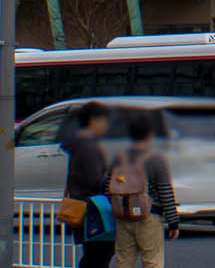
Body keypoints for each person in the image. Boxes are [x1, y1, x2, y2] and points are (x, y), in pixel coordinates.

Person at [110, 114, 178, 268]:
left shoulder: (119, 158)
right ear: (150, 134)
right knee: (152, 262)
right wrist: (173, 222)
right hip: (149, 216)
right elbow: (165, 192)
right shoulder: (156, 159)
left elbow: (109, 186)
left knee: (124, 262)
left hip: (123, 217)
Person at [65, 102, 115, 268]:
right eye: (105, 121)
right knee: (99, 256)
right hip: (95, 212)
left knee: (92, 256)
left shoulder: (79, 144)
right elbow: (95, 180)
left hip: (84, 208)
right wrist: (112, 181)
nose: (106, 126)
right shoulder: (89, 147)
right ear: (94, 120)